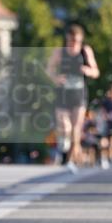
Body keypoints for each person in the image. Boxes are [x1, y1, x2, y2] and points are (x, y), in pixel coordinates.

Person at [46, 23, 99, 172]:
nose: (73, 44)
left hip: (79, 93)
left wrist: (88, 70)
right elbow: (49, 69)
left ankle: (69, 160)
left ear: (81, 40)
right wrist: (55, 78)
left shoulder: (85, 51)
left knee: (76, 128)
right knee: (64, 125)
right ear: (67, 39)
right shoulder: (59, 52)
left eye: (76, 41)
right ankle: (65, 146)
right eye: (70, 41)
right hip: (63, 93)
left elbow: (96, 72)